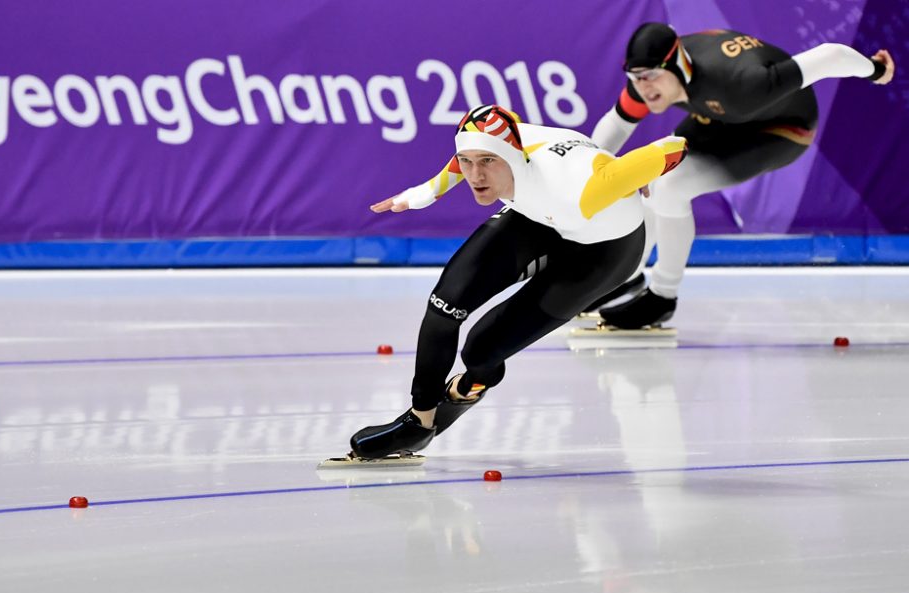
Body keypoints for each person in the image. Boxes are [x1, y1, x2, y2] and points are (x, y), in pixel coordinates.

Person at [348, 104, 687, 460]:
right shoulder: (503, 144)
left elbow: (674, 146)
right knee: (444, 305)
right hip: (536, 217)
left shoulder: (583, 186)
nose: (476, 175)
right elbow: (473, 153)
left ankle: (467, 388)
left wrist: (643, 173)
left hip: (601, 252)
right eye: (469, 161)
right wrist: (429, 191)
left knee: (480, 351)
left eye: (489, 162)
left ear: (513, 156)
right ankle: (419, 424)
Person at [587, 23, 896, 329]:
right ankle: (627, 278)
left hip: (780, 128)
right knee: (653, 175)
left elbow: (831, 56)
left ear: (678, 65)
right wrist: (585, 175)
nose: (643, 87)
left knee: (671, 186)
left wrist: (876, 69)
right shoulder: (652, 78)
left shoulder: (742, 83)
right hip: (721, 116)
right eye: (635, 78)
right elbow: (617, 124)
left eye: (650, 77)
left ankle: (663, 296)